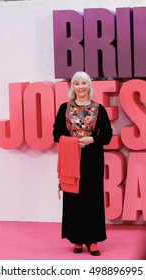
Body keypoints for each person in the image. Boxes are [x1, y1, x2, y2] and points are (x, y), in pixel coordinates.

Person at [53, 71, 112, 256]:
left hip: (92, 159)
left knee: (92, 198)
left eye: (83, 83)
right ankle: (77, 238)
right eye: (76, 83)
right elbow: (56, 134)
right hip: (72, 158)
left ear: (89, 86)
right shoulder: (65, 108)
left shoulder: (98, 108)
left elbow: (107, 135)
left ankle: (92, 240)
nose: (80, 87)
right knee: (74, 199)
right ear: (73, 87)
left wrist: (91, 140)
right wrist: (73, 142)